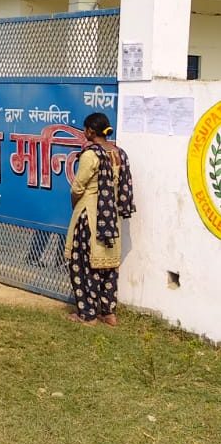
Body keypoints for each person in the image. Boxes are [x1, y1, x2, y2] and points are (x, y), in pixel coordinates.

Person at [66, 112, 134, 326]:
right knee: (108, 266)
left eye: (85, 129)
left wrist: (76, 205)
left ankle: (87, 314)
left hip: (91, 215)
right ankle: (108, 313)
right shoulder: (120, 154)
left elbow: (78, 187)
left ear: (90, 131)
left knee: (83, 263)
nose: (84, 132)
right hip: (111, 217)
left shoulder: (90, 155)